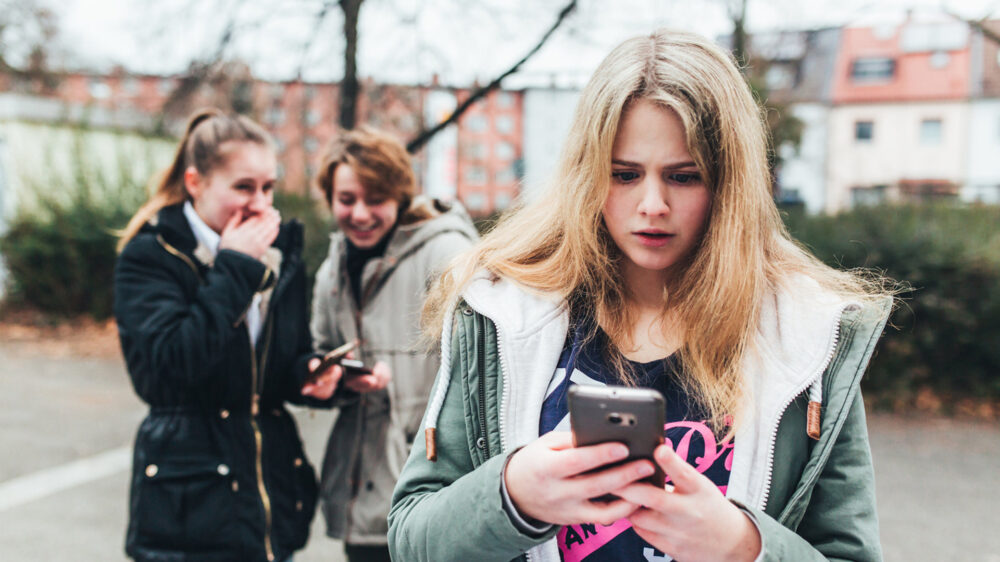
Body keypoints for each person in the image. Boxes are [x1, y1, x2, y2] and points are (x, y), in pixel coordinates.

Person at [388, 29, 894, 562]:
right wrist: (512, 495)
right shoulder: (501, 310)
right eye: (625, 175)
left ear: (730, 184)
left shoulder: (807, 336)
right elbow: (411, 539)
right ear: (586, 174)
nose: (652, 203)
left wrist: (744, 548)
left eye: (683, 176)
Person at [115, 108, 336, 562]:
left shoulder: (280, 254)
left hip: (268, 498)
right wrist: (235, 268)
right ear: (195, 183)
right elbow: (167, 370)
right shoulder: (150, 255)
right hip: (189, 506)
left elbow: (275, 366)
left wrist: (309, 375)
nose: (259, 203)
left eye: (268, 187)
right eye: (243, 187)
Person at [306, 126, 478, 562]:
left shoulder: (447, 254)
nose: (359, 214)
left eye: (375, 199)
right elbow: (321, 351)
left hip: (432, 494)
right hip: (361, 494)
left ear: (400, 197)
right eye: (347, 200)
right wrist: (335, 380)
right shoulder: (332, 270)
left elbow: (485, 372)